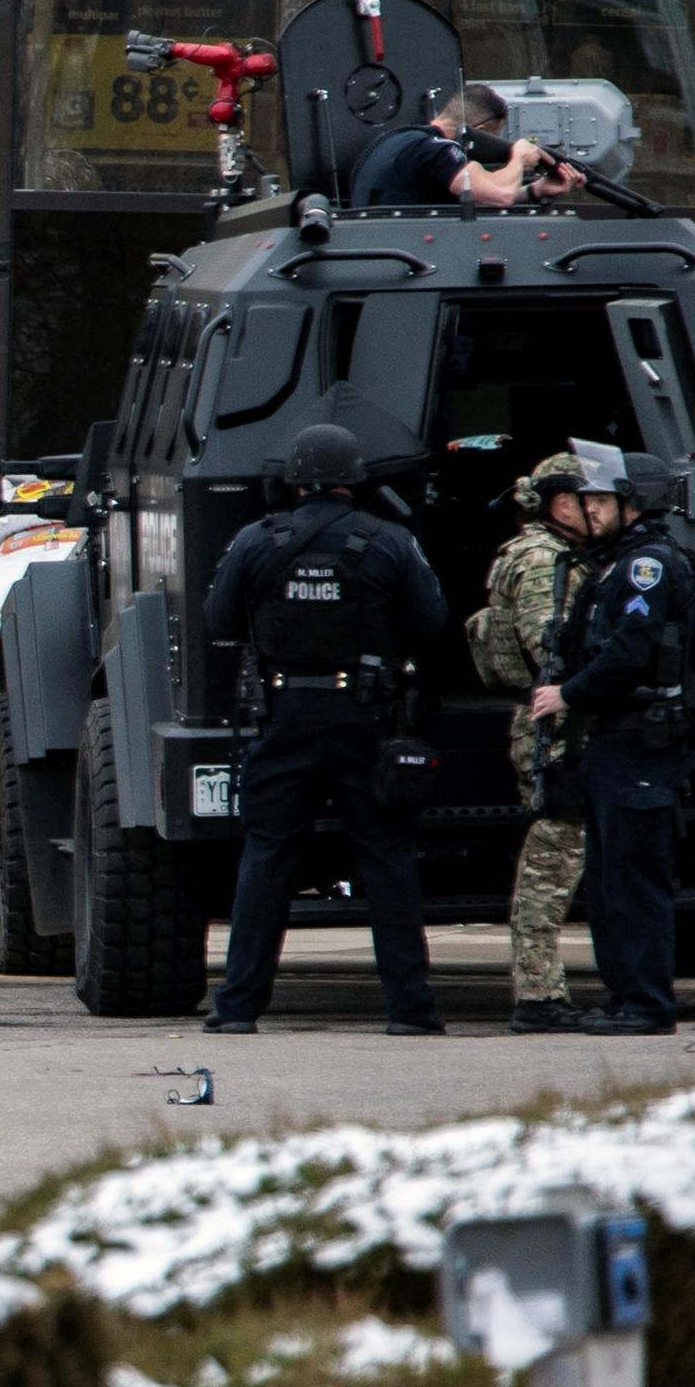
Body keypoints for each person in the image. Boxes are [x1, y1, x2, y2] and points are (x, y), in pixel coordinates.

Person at [201, 421, 452, 1035]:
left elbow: (217, 619)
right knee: (388, 862)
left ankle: (237, 1010)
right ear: (354, 482)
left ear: (293, 480)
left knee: (267, 860)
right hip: (366, 720)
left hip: (283, 716)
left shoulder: (257, 541)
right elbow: (432, 619)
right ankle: (411, 1012)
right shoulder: (389, 541)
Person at [533, 448, 695, 1034]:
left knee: (633, 877)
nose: (591, 509)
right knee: (610, 880)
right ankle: (626, 998)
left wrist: (569, 695)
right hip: (616, 740)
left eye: (603, 500)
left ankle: (647, 1003)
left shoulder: (646, 566)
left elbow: (630, 652)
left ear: (636, 503)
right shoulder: (618, 562)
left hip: (638, 739)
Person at [467, 453, 593, 1031]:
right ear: (562, 503)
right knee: (552, 857)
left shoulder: (550, 553)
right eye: (590, 499)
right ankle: (539, 995)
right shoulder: (545, 561)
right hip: (555, 726)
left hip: (556, 721)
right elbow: (554, 649)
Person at [350, 86, 586, 210]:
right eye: (493, 136)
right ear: (479, 130)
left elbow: (481, 195)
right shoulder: (438, 150)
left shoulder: (400, 140)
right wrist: (518, 157)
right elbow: (500, 196)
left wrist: (536, 190)